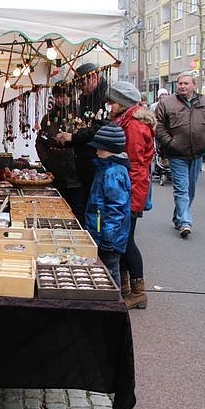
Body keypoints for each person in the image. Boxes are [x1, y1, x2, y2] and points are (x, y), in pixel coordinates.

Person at [105, 81, 155, 310]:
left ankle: (138, 292)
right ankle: (126, 286)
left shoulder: (133, 125)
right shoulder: (128, 120)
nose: (108, 106)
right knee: (122, 240)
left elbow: (134, 165)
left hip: (132, 190)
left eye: (111, 102)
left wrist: (130, 199)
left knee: (127, 241)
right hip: (130, 189)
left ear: (122, 102)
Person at [155, 71, 205, 238]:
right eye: (180, 83)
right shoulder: (168, 103)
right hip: (177, 152)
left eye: (186, 83)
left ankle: (178, 216)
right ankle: (185, 222)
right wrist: (170, 142)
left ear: (194, 85)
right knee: (181, 188)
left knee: (190, 189)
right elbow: (158, 125)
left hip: (198, 152)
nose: (182, 86)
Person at [55, 62, 108, 210]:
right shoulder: (86, 98)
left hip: (95, 162)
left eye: (82, 83)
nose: (80, 87)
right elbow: (85, 127)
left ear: (94, 78)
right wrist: (70, 138)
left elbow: (100, 129)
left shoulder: (105, 98)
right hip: (83, 162)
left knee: (93, 206)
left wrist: (73, 138)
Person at [84, 123, 131, 289]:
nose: (97, 152)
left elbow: (116, 209)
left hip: (108, 236)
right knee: (107, 270)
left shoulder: (113, 172)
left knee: (110, 271)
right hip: (101, 231)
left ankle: (114, 301)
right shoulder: (106, 168)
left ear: (111, 150)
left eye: (100, 149)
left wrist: (108, 238)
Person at [36, 85, 84, 220]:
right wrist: (47, 161)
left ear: (69, 96)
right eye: (57, 96)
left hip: (76, 173)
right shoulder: (48, 119)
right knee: (56, 211)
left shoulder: (78, 116)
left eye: (62, 96)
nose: (59, 100)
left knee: (77, 212)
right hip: (56, 172)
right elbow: (40, 142)